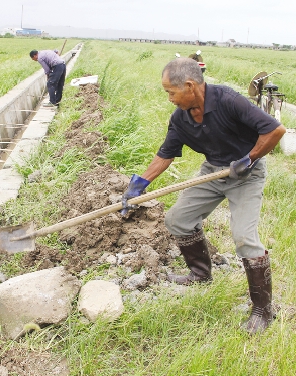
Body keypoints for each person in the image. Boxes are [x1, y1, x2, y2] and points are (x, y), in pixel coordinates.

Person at [121, 58, 286, 334]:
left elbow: (275, 130)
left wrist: (249, 158)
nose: (169, 98)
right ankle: (200, 274)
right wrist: (140, 183)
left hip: (245, 174)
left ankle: (262, 310)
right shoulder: (180, 118)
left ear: (189, 86)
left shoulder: (229, 101)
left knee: (244, 238)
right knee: (177, 219)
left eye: (170, 92)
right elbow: (166, 154)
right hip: (213, 172)